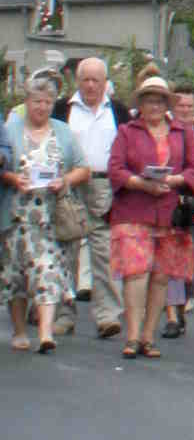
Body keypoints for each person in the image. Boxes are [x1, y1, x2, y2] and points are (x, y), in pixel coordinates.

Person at [108, 71, 194, 358]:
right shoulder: (127, 131)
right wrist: (141, 183)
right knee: (136, 273)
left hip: (170, 213)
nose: (154, 107)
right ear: (140, 104)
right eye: (149, 101)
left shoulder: (183, 133)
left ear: (167, 104)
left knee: (161, 277)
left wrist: (174, 181)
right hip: (133, 210)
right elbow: (115, 169)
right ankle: (133, 337)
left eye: (160, 101)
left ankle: (149, 337)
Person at [3, 67, 91, 353]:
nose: (41, 106)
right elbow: (1, 166)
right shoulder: (10, 128)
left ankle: (45, 333)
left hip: (50, 219)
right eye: (37, 100)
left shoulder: (63, 132)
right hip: (16, 216)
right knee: (15, 277)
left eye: (47, 102)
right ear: (26, 101)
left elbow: (84, 169)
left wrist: (64, 180)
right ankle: (19, 331)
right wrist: (14, 179)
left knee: (48, 270)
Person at [54, 54, 128, 338]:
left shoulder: (118, 111)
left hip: (104, 186)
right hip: (69, 185)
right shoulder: (62, 109)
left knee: (104, 252)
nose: (90, 85)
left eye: (96, 80)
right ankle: (64, 315)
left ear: (105, 82)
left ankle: (108, 316)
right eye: (85, 79)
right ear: (77, 80)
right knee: (66, 252)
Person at [161, 81, 194, 339]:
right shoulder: (165, 131)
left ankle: (184, 302)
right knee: (172, 260)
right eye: (180, 104)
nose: (185, 109)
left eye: (189, 105)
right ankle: (171, 314)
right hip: (171, 203)